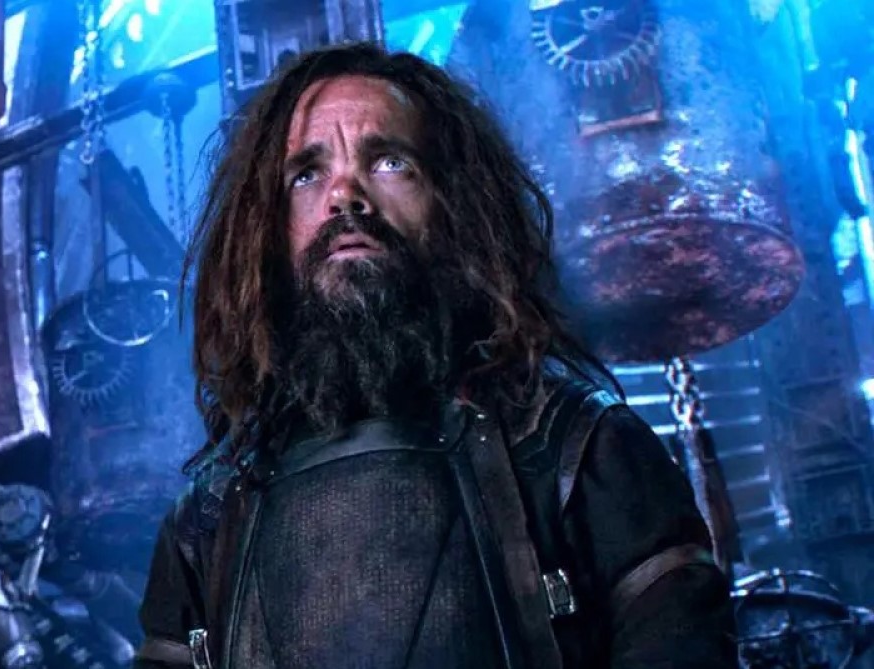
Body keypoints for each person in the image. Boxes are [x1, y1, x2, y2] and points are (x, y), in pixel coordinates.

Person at [133, 42, 737, 669]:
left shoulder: (582, 450)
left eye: (389, 162)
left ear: (455, 205)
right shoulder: (208, 520)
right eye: (306, 173)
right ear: (266, 228)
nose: (345, 195)